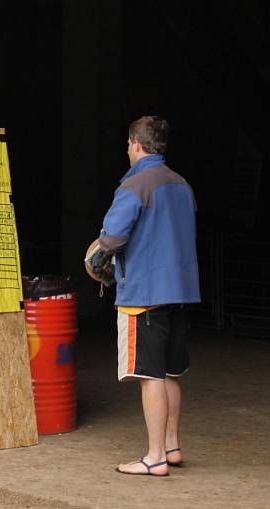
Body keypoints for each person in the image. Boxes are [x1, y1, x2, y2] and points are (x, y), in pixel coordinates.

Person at [96, 116, 200, 476]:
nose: (127, 150)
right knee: (171, 373)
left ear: (136, 145)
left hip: (144, 293)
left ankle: (154, 457)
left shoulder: (135, 185)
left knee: (150, 376)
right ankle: (171, 446)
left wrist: (99, 256)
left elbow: (112, 236)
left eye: (128, 144)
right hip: (180, 293)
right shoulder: (183, 185)